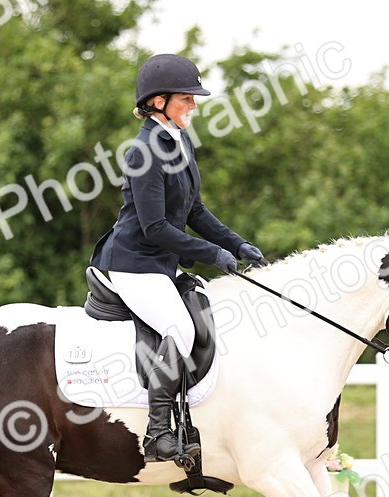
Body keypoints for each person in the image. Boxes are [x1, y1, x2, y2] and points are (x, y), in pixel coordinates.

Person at [89, 53, 266, 465]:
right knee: (179, 329)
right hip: (133, 263)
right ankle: (156, 434)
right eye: (187, 98)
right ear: (158, 101)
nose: (195, 105)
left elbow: (195, 212)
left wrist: (238, 245)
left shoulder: (179, 140)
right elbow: (155, 229)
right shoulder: (143, 152)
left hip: (160, 264)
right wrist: (213, 254)